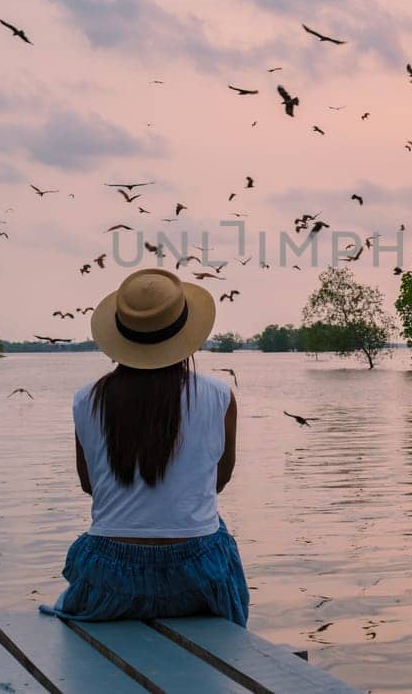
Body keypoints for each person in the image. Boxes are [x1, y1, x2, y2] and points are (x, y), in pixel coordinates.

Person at [41, 267, 248, 626]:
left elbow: (90, 485)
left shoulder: (85, 400)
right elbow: (218, 481)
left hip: (110, 580)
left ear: (120, 336)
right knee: (214, 525)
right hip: (196, 576)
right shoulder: (219, 396)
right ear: (185, 335)